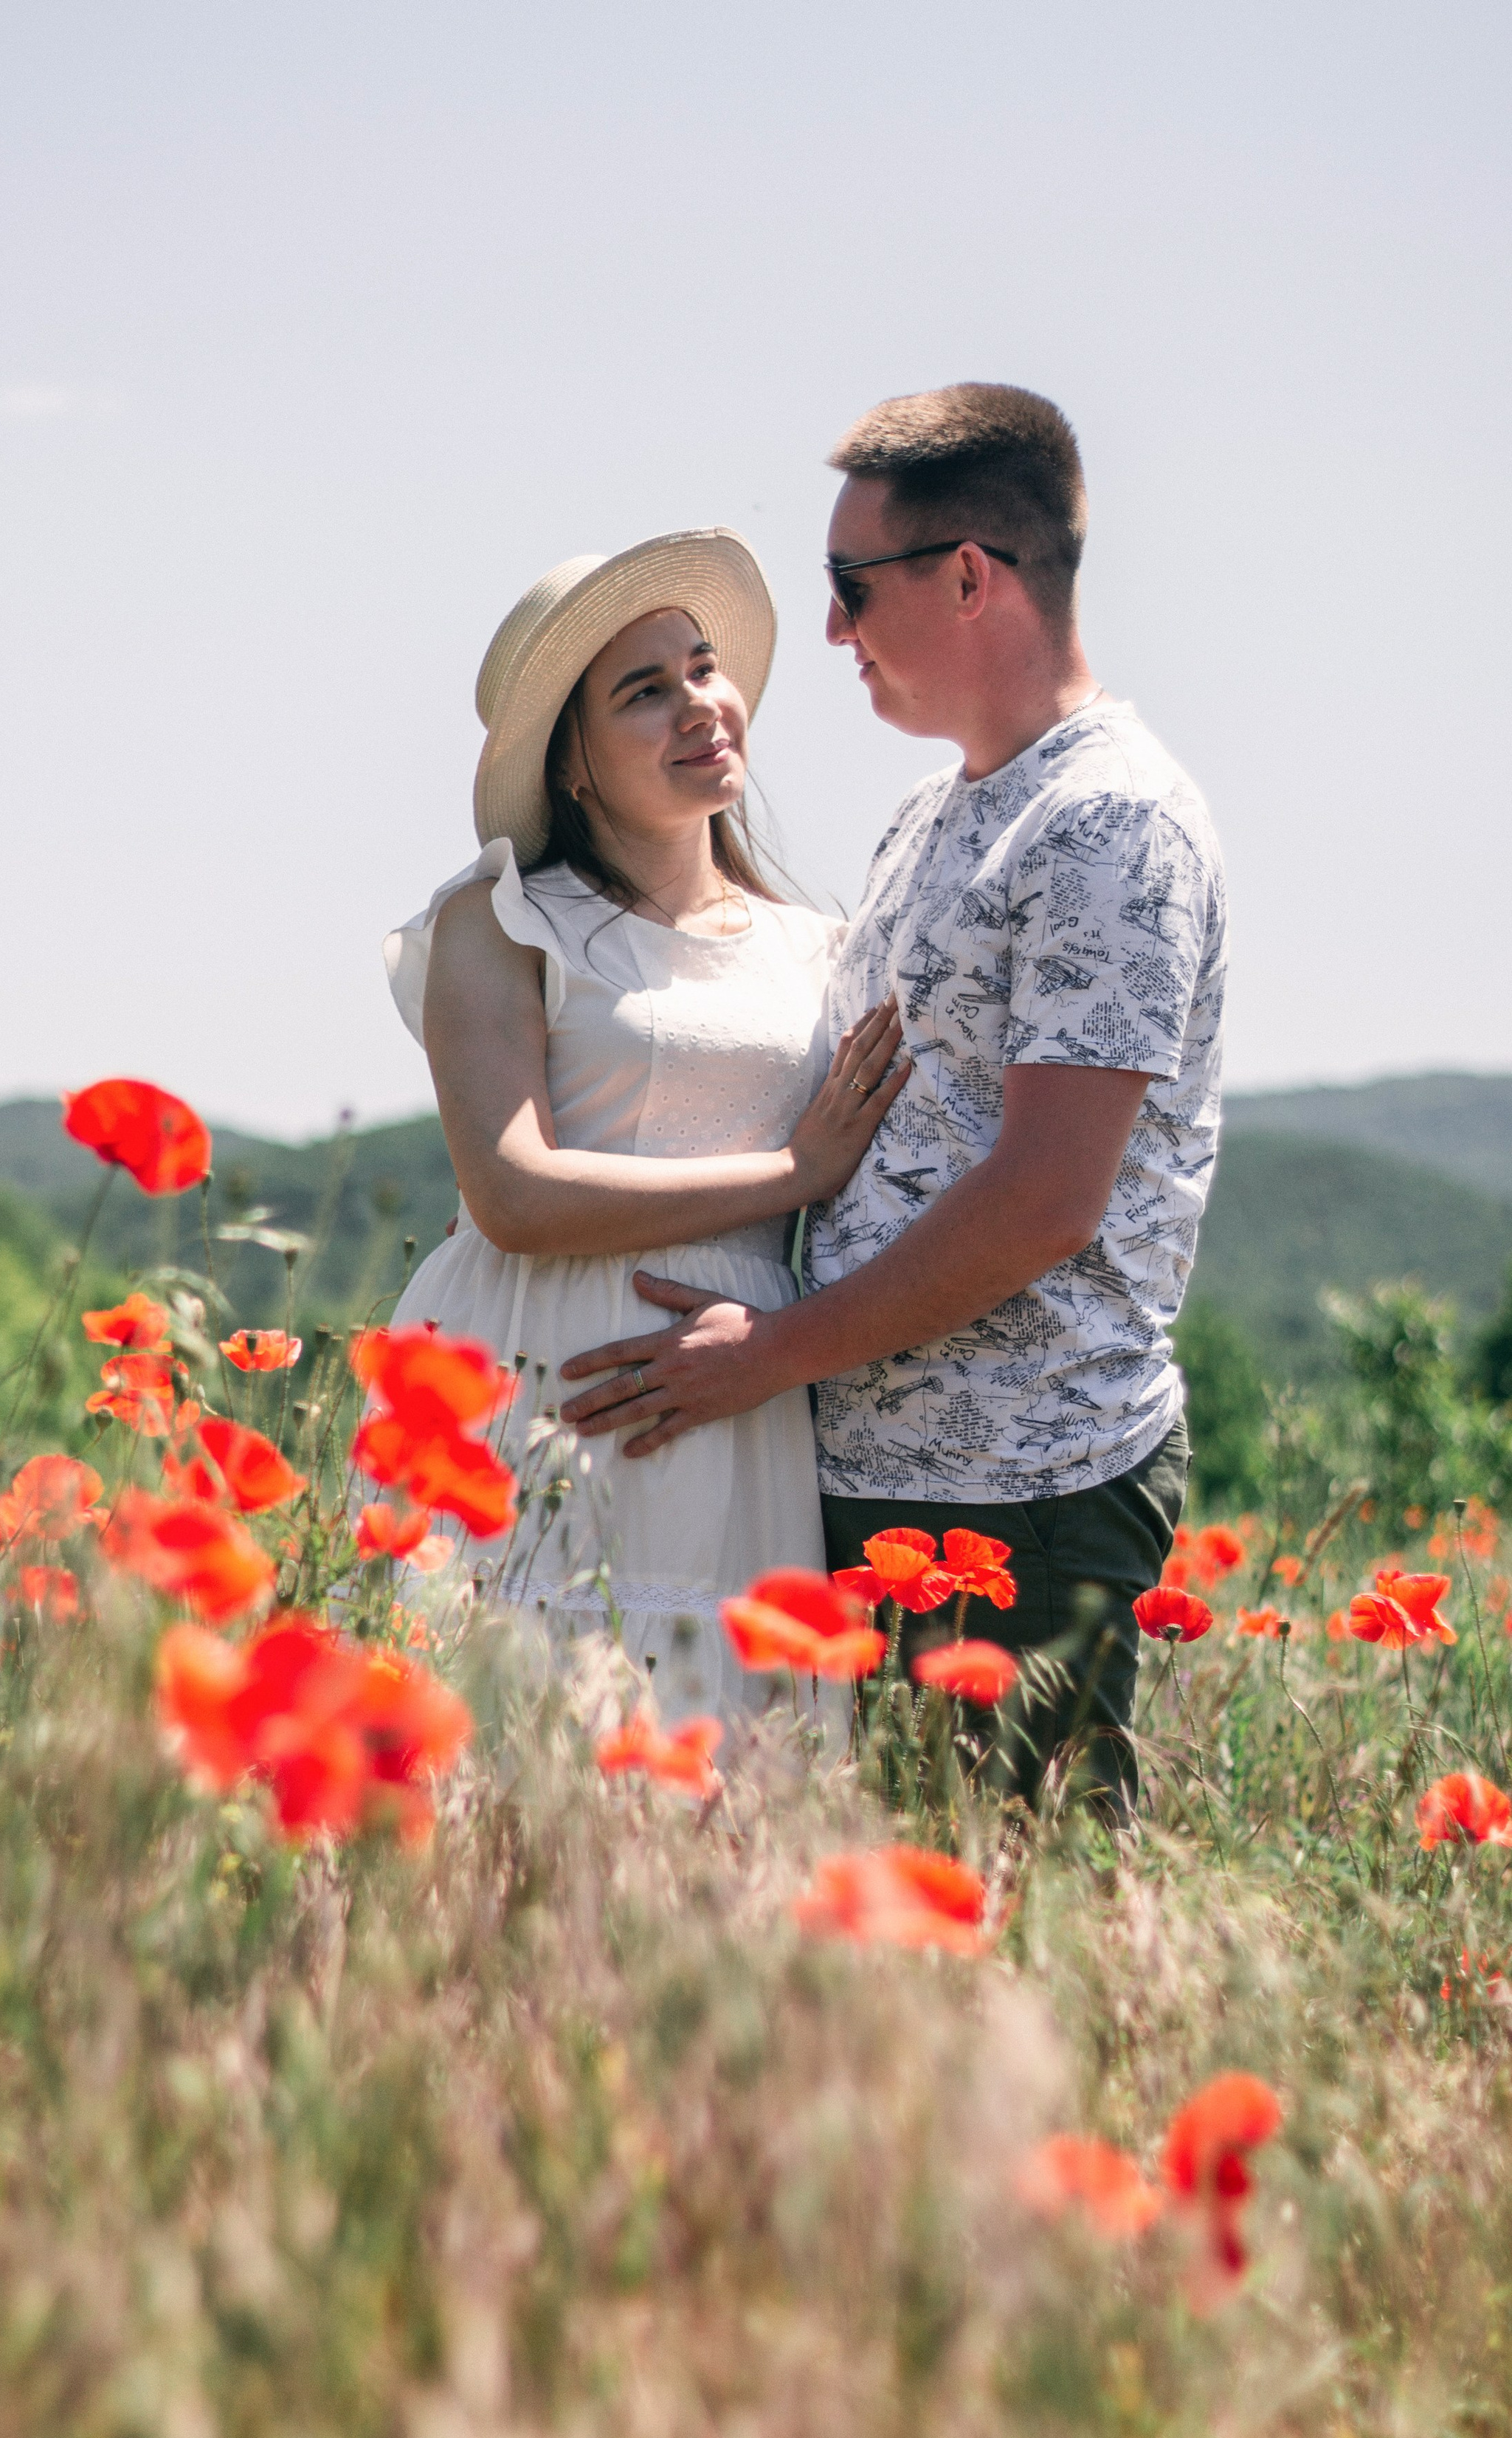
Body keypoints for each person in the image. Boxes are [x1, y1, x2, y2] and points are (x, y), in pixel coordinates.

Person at [558, 387, 1226, 1812]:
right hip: (874, 1480)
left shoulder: (1108, 823)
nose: (835, 634)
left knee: (1021, 1951)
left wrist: (776, 1349)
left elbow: (1048, 1200)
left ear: (971, 576)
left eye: (850, 589)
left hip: (1022, 1497)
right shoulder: (934, 814)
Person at [380, 531, 905, 1715]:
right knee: (520, 1739)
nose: (700, 706)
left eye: (704, 668)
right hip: (541, 1370)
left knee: (722, 1756)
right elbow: (513, 1195)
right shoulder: (505, 921)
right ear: (571, 760)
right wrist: (792, 1172)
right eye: (644, 692)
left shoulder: (823, 950)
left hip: (740, 1390)